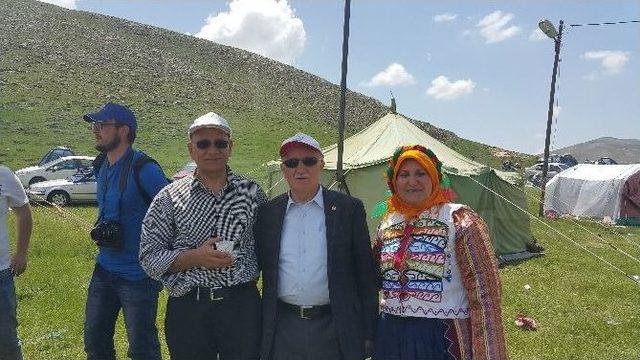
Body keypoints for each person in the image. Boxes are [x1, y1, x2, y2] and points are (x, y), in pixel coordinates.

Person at [139, 112, 266, 360]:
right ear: (191, 149)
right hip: (189, 307)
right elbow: (148, 257)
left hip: (241, 305)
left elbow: (269, 249)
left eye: (220, 143)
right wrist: (195, 257)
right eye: (203, 144)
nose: (212, 150)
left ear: (230, 148)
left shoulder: (252, 193)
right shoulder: (169, 197)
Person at [373, 145, 508, 360]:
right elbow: (374, 277)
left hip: (441, 338)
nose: (412, 181)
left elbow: (485, 294)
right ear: (394, 182)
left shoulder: (459, 220)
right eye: (404, 175)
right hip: (391, 336)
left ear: (435, 178)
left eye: (421, 173)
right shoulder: (388, 223)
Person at [255, 133, 378, 360]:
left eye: (309, 161)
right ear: (283, 170)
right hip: (283, 327)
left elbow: (365, 274)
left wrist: (369, 331)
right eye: (292, 163)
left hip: (335, 326)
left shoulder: (348, 209)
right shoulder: (268, 213)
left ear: (322, 165)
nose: (300, 168)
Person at [83, 103, 169, 360]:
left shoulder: (145, 169)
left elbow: (173, 214)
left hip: (139, 275)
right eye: (94, 125)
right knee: (95, 343)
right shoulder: (101, 165)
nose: (95, 130)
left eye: (102, 125)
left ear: (123, 130)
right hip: (104, 268)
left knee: (143, 349)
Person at [0, 166, 32, 360]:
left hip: (1, 273)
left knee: (6, 343)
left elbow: (24, 213)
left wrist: (21, 253)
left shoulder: (4, 175)